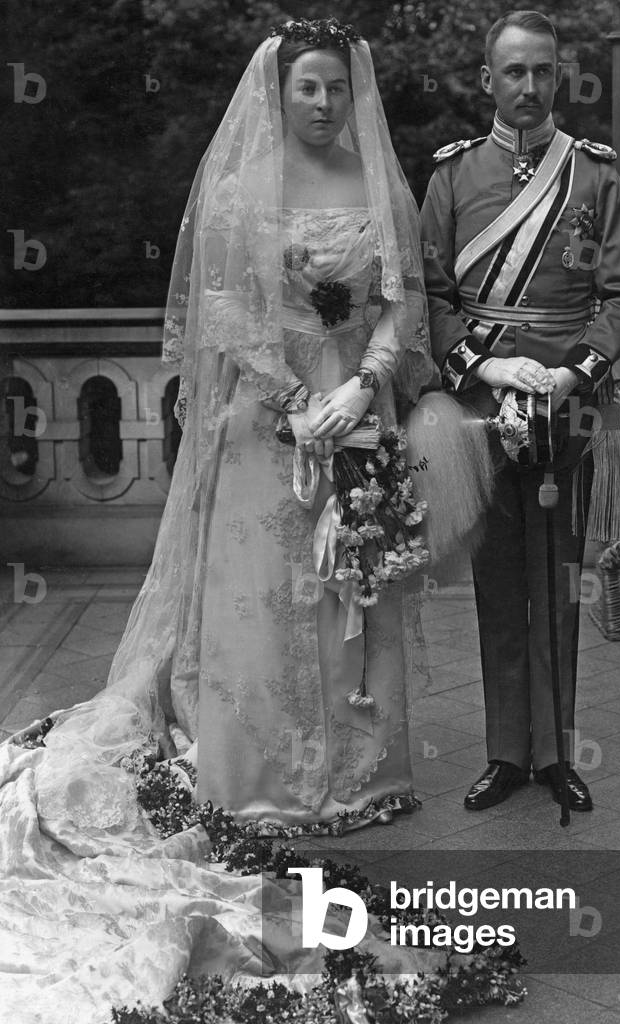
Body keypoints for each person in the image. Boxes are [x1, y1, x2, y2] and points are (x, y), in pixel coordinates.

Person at [0, 20, 441, 1020]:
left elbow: (401, 299)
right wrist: (295, 401)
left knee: (351, 583)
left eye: (335, 87)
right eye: (307, 87)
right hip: (264, 421)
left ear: (354, 94)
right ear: (279, 94)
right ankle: (259, 780)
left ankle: (359, 777)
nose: (322, 102)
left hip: (355, 409)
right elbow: (227, 315)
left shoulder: (380, 183)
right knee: (264, 598)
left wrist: (362, 385)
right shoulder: (244, 190)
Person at [420, 10, 620, 814]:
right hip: (480, 405)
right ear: (489, 80)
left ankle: (555, 753)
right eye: (513, 72)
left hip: (567, 406)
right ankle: (505, 754)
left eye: (542, 71)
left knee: (559, 581)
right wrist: (482, 364)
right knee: (497, 581)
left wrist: (572, 373)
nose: (528, 86)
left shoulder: (593, 175)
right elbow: (428, 295)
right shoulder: (452, 177)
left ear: (559, 76)